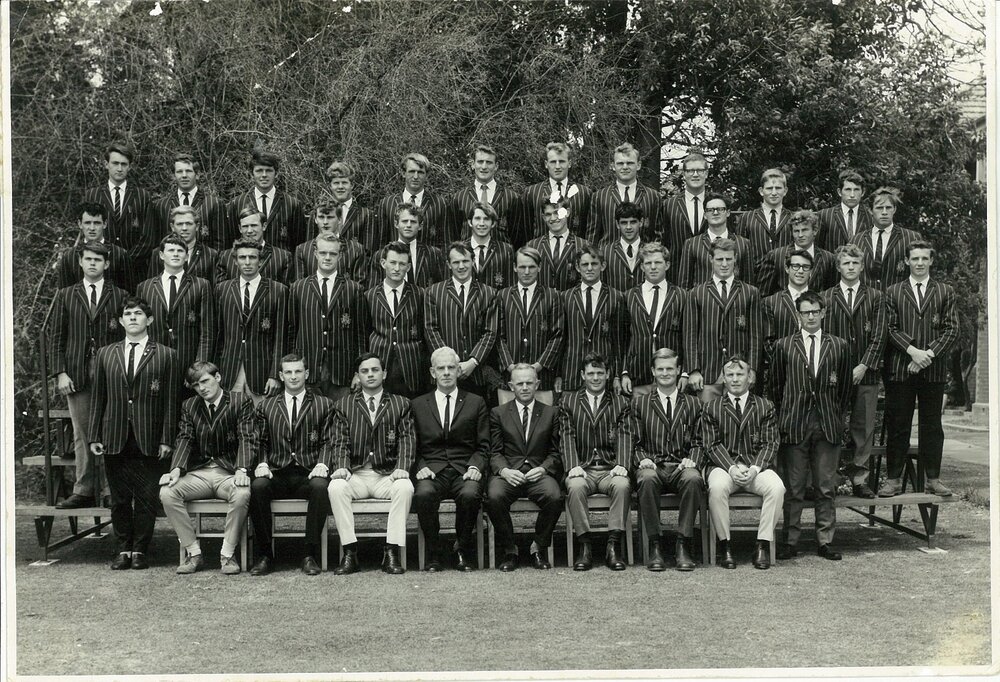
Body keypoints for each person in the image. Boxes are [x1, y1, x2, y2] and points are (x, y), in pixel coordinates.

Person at [88, 296, 180, 569]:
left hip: (149, 436)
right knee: (119, 498)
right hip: (115, 435)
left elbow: (171, 401)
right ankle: (122, 549)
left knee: (146, 497)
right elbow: (98, 397)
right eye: (127, 314)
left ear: (149, 319)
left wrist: (166, 438)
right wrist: (94, 435)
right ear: (120, 321)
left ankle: (140, 549)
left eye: (138, 313)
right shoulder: (106, 353)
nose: (132, 318)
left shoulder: (166, 354)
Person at [769, 291, 850, 561]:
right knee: (794, 488)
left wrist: (834, 415)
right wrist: (786, 416)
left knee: (825, 487)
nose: (811, 316)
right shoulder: (784, 346)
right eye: (806, 312)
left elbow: (845, 389)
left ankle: (825, 541)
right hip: (794, 424)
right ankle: (790, 541)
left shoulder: (838, 345)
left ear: (823, 312)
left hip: (827, 423)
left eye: (815, 311)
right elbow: (775, 387)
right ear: (798, 315)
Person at [50, 242, 127, 509]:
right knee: (81, 431)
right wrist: (60, 372)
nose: (93, 263)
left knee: (109, 429)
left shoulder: (120, 295)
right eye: (88, 259)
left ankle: (109, 489)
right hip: (76, 372)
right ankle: (84, 489)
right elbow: (57, 337)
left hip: (110, 372)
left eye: (98, 260)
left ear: (107, 264)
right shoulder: (65, 295)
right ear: (80, 262)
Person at [158, 361, 255, 575]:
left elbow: (247, 437)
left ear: (217, 378)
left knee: (242, 493)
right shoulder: (190, 405)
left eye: (205, 381)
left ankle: (228, 555)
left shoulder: (240, 401)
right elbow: (185, 438)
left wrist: (242, 468)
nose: (201, 388)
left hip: (228, 472)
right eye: (196, 385)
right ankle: (194, 553)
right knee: (167, 492)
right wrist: (176, 469)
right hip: (200, 473)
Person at [881, 240, 959, 497]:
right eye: (915, 258)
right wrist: (912, 351)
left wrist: (928, 354)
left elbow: (952, 329)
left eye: (924, 258)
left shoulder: (945, 291)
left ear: (931, 260)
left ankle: (932, 479)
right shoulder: (893, 291)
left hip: (933, 370)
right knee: (898, 425)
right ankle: (893, 480)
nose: (920, 263)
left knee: (932, 426)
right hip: (901, 369)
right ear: (907, 261)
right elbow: (889, 328)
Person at [247, 353, 337, 576]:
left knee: (321, 487)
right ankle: (265, 554)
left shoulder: (324, 404)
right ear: (281, 375)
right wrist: (262, 463)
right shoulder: (266, 406)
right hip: (277, 472)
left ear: (307, 373)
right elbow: (260, 441)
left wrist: (323, 463)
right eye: (288, 372)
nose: (294, 376)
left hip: (308, 471)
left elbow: (329, 440)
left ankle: (309, 554)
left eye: (298, 371)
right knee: (258, 486)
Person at [327, 353, 415, 575]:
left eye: (375, 370)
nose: (370, 375)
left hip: (386, 475)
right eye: (364, 371)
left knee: (405, 487)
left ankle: (391, 551)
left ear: (384, 374)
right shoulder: (344, 404)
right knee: (335, 487)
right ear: (358, 376)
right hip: (356, 474)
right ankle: (350, 552)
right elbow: (339, 441)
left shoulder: (401, 403)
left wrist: (402, 467)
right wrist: (342, 466)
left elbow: (407, 439)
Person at [410, 346, 490, 571]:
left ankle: (461, 549)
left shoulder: (476, 402)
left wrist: (475, 466)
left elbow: (484, 445)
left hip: (464, 468)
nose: (446, 372)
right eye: (441, 368)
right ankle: (434, 551)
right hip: (431, 469)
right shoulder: (417, 404)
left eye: (451, 367)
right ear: (432, 372)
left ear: (458, 371)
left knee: (470, 494)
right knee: (423, 494)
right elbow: (411, 444)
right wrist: (420, 466)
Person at [702, 355, 784, 569]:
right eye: (730, 375)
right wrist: (731, 467)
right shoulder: (711, 407)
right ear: (723, 378)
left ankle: (762, 544)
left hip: (755, 468)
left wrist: (755, 469)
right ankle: (725, 545)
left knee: (777, 487)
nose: (735, 379)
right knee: (717, 487)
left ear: (750, 377)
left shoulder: (765, 406)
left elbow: (770, 443)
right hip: (724, 467)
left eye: (740, 374)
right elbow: (711, 444)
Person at [630, 349, 705, 571]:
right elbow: (633, 441)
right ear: (653, 372)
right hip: (653, 465)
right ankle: (655, 545)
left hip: (681, 465)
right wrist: (643, 459)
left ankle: (683, 544)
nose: (665, 373)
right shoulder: (640, 404)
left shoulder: (693, 403)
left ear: (678, 370)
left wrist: (692, 459)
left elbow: (700, 440)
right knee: (646, 478)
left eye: (670, 369)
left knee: (693, 478)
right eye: (660, 369)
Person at [485, 364, 563, 571]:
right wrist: (504, 471)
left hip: (538, 473)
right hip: (509, 473)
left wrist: (544, 469)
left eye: (530, 382)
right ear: (511, 386)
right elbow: (494, 451)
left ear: (537, 384)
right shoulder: (498, 413)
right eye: (520, 383)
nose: (525, 387)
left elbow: (556, 452)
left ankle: (538, 547)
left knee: (554, 496)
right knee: (494, 496)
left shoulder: (551, 413)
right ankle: (510, 550)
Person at [822, 245, 886, 498]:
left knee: (864, 427)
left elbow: (880, 335)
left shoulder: (875, 297)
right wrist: (839, 368)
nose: (850, 267)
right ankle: (832, 478)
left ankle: (860, 479)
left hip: (866, 373)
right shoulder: (826, 297)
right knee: (832, 426)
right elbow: (823, 337)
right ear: (838, 266)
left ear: (861, 266)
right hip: (834, 375)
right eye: (846, 263)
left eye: (855, 263)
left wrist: (863, 365)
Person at [560, 353, 633, 571]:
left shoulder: (621, 402)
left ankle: (613, 546)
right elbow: (566, 435)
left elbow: (626, 434)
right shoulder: (569, 401)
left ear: (608, 374)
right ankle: (585, 546)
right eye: (591, 373)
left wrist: (622, 464)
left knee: (622, 484)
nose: (595, 378)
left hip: (610, 468)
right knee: (574, 486)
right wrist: (573, 465)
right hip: (583, 468)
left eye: (600, 373)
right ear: (582, 375)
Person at [287, 233, 368, 401]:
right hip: (308, 370)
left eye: (333, 253)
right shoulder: (299, 288)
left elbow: (360, 335)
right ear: (315, 253)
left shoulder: (353, 289)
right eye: (323, 253)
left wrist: (358, 372)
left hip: (342, 372)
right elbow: (292, 331)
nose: (328, 257)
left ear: (340, 255)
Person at [684, 238, 764, 402]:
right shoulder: (696, 293)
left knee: (738, 414)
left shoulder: (750, 292)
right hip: (707, 372)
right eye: (720, 259)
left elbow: (756, 335)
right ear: (711, 259)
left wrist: (752, 368)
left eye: (729, 259)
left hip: (739, 372)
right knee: (707, 414)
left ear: (735, 259)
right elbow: (690, 334)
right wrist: (693, 369)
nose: (725, 264)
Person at [214, 239, 288, 404]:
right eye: (242, 257)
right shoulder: (222, 289)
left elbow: (281, 336)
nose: (247, 262)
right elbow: (218, 334)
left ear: (260, 261)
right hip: (229, 370)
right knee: (230, 415)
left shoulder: (278, 290)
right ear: (235, 261)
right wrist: (214, 370)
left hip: (262, 371)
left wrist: (275, 374)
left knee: (261, 416)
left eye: (252, 257)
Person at [424, 241, 500, 398]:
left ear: (473, 261)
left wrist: (472, 362)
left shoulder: (489, 293)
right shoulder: (434, 292)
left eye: (465, 261)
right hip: (445, 373)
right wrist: (449, 362)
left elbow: (490, 332)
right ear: (448, 264)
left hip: (477, 374)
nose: (461, 266)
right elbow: (430, 328)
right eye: (456, 262)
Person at [136, 235, 215, 381]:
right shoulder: (145, 287)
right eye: (171, 250)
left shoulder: (201, 285)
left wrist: (199, 368)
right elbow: (140, 329)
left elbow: (207, 331)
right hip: (155, 362)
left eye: (180, 251)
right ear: (161, 255)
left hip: (188, 362)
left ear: (187, 257)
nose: (176, 254)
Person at [81, 140, 155, 291]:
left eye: (124, 164)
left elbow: (148, 238)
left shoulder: (142, 196)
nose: (119, 168)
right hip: (101, 270)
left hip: (135, 272)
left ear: (129, 166)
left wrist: (125, 261)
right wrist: (104, 260)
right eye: (115, 163)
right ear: (106, 164)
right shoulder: (92, 195)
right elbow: (89, 232)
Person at [557, 245, 628, 395]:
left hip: (603, 373)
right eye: (585, 264)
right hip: (572, 372)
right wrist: (558, 374)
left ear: (603, 266)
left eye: (594, 264)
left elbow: (619, 341)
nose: (589, 268)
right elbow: (560, 339)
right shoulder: (566, 297)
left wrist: (616, 375)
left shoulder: (616, 297)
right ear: (578, 267)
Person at [496, 246, 564, 398]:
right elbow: (498, 335)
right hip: (509, 380)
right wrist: (510, 366)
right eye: (522, 267)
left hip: (542, 378)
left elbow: (558, 335)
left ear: (539, 267)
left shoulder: (552, 296)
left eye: (532, 267)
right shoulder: (503, 296)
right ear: (515, 267)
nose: (527, 272)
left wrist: (538, 366)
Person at [621, 242, 687, 396]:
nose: (653, 267)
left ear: (667, 265)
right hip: (638, 373)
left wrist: (685, 371)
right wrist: (624, 372)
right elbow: (623, 338)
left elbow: (687, 337)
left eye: (658, 262)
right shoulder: (629, 296)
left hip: (671, 375)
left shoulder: (681, 295)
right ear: (642, 267)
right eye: (648, 263)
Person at [365, 242, 427, 399]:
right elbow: (365, 332)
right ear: (383, 263)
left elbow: (424, 332)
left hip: (411, 368)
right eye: (393, 263)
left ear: (408, 267)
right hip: (380, 364)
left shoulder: (419, 294)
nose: (397, 268)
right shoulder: (369, 296)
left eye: (402, 264)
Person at [226, 149, 307, 252]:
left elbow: (299, 244)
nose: (264, 175)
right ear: (252, 173)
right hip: (249, 260)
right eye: (259, 171)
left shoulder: (292, 204)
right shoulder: (238, 203)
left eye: (268, 170)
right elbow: (232, 241)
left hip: (280, 261)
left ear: (276, 173)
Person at [848, 186, 923, 291]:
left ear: (894, 209)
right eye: (879, 208)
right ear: (870, 210)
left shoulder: (911, 238)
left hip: (898, 299)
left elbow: (920, 276)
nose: (884, 212)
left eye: (888, 208)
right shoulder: (856, 240)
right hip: (865, 299)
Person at [149, 152, 228, 251]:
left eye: (188, 171)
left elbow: (221, 244)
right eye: (179, 171)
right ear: (174, 176)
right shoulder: (161, 206)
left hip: (203, 260)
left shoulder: (213, 204)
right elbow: (156, 243)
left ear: (197, 174)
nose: (184, 175)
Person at [676, 192, 755, 289]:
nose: (715, 213)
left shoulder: (743, 243)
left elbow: (749, 283)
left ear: (728, 213)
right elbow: (684, 285)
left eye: (720, 209)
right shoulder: (691, 244)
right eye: (710, 210)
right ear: (705, 215)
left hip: (735, 298)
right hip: (702, 298)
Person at [519, 142, 592, 246]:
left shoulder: (584, 193)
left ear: (569, 163)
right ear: (546, 164)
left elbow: (588, 230)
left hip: (575, 252)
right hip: (542, 252)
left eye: (561, 161)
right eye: (553, 162)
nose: (557, 166)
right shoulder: (532, 193)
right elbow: (526, 230)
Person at [588, 143, 660, 245]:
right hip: (608, 254)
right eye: (620, 163)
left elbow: (658, 236)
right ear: (612, 166)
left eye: (630, 163)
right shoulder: (599, 197)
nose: (625, 167)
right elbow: (592, 237)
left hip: (642, 254)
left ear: (638, 165)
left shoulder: (652, 196)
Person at [755, 209, 837, 297]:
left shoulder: (828, 258)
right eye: (796, 231)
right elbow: (763, 293)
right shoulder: (776, 256)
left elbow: (831, 292)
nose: (800, 235)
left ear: (815, 231)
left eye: (805, 230)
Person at [449, 144, 520, 244]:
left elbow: (517, 237)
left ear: (496, 166)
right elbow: (453, 236)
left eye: (489, 162)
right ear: (473, 164)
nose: (484, 167)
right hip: (468, 253)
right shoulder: (459, 198)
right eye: (480, 162)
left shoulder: (511, 198)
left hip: (500, 253)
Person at [376, 152, 450, 249]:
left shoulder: (439, 204)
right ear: (403, 173)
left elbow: (445, 242)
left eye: (420, 172)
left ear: (427, 175)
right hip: (396, 257)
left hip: (427, 258)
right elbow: (381, 243)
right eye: (411, 171)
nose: (415, 177)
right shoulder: (387, 204)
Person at [55, 202, 130, 290]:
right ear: (80, 224)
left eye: (97, 223)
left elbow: (128, 292)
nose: (92, 228)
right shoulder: (69, 257)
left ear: (105, 224)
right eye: (87, 223)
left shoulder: (120, 254)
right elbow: (64, 293)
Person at [291, 198, 366, 284]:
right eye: (321, 217)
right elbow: (299, 286)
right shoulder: (303, 250)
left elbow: (359, 286)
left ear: (339, 220)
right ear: (315, 219)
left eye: (330, 217)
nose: (325, 222)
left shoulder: (355, 250)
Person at [659, 150, 708, 280]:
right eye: (690, 171)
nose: (695, 174)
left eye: (700, 170)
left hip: (708, 275)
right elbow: (664, 242)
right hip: (677, 275)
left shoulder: (716, 204)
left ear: (706, 173)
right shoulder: (669, 205)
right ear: (684, 174)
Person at [525, 194, 592, 291]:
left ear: (567, 212)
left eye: (557, 212)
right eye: (548, 214)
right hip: (541, 299)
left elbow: (588, 281)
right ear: (543, 217)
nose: (553, 218)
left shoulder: (583, 245)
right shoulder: (533, 246)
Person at [375, 204, 447, 287]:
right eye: (404, 221)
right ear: (396, 224)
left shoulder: (433, 254)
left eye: (413, 222)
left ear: (420, 226)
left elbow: (441, 288)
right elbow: (375, 289)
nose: (408, 225)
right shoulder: (381, 255)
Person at [216, 206, 292, 284]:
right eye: (245, 226)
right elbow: (221, 289)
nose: (249, 230)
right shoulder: (226, 257)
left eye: (254, 225)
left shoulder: (282, 257)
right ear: (240, 229)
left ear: (264, 226)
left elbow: (285, 289)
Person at [146, 206, 219, 283]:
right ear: (172, 227)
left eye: (189, 224)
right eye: (180, 224)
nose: (184, 228)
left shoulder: (211, 255)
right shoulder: (158, 254)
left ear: (197, 226)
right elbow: (152, 285)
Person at [737, 168, 793, 269]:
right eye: (769, 188)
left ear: (785, 191)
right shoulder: (747, 218)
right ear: (761, 191)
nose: (774, 192)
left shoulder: (793, 218)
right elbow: (740, 252)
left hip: (785, 274)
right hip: (757, 275)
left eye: (778, 188)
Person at [324, 161, 377, 256]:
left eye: (344, 183)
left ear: (352, 185)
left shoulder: (366, 215)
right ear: (330, 186)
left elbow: (368, 252)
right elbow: (310, 249)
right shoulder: (319, 214)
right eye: (336, 183)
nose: (340, 187)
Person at [817, 169, 873, 252]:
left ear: (863, 192)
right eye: (848, 189)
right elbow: (817, 249)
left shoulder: (870, 217)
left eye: (856, 190)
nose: (852, 195)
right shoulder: (824, 216)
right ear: (839, 192)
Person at [465, 201, 515, 290]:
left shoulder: (506, 250)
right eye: (477, 218)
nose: (482, 223)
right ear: (470, 222)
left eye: (486, 219)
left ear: (493, 223)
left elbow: (511, 286)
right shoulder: (460, 249)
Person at [599, 201, 645, 292]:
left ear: (641, 222)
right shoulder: (606, 252)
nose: (628, 227)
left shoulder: (651, 252)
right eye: (624, 223)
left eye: (633, 222)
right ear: (617, 224)